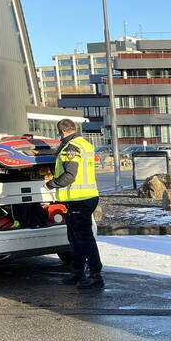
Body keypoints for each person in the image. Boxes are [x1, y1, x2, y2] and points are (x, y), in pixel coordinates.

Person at [47, 119, 103, 289]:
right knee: (75, 237)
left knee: (84, 239)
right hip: (83, 198)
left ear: (62, 132)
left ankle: (95, 276)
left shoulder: (71, 147)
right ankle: (78, 273)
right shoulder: (83, 143)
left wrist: (51, 184)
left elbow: (69, 176)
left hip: (80, 199)